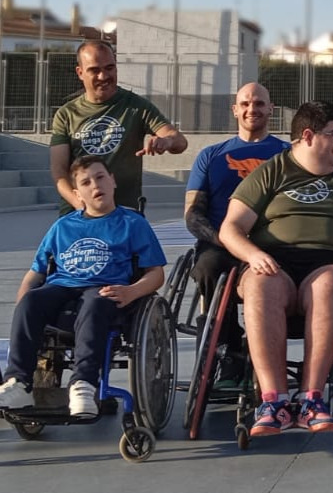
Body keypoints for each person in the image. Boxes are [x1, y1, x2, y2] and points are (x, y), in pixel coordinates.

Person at [219, 101, 333, 436]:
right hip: (274, 261)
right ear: (309, 136)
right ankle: (273, 400)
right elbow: (230, 228)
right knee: (259, 284)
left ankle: (312, 398)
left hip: (326, 262)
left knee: (329, 284)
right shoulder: (271, 171)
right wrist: (252, 255)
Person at [0, 156, 167, 417]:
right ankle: (19, 383)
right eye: (86, 182)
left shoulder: (133, 223)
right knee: (31, 301)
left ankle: (84, 384)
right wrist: (24, 301)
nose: (95, 185)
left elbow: (156, 274)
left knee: (95, 300)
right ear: (77, 193)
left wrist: (131, 291)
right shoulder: (62, 226)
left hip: (105, 291)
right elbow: (36, 272)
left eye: (100, 177)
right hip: (63, 288)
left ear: (112, 180)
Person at [183, 82, 289, 383]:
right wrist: (225, 240)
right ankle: (231, 351)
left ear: (271, 108)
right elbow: (192, 213)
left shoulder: (287, 154)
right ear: (234, 109)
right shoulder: (211, 155)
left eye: (258, 103)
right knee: (206, 269)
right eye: (244, 103)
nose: (251, 109)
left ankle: (265, 353)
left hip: (271, 243)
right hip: (220, 243)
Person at [50, 40, 188, 212]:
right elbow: (59, 171)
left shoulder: (136, 106)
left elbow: (180, 141)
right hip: (78, 217)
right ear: (80, 72)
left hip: (124, 215)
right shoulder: (66, 114)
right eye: (94, 70)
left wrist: (166, 141)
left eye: (109, 68)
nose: (103, 76)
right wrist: (82, 206)